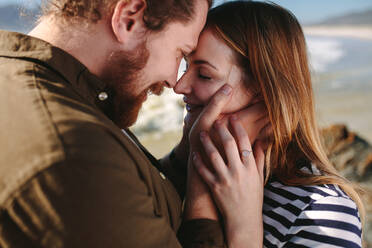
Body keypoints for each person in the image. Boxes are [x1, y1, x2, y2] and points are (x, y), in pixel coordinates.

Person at [0, 0, 263, 247]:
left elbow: (132, 189)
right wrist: (235, 224)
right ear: (128, 18)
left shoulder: (64, 94)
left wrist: (189, 157)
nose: (175, 81)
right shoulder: (75, 150)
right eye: (179, 53)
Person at [174, 1, 364, 247]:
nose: (179, 86)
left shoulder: (322, 211)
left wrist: (245, 228)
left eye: (204, 75)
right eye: (186, 65)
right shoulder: (183, 170)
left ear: (263, 90)